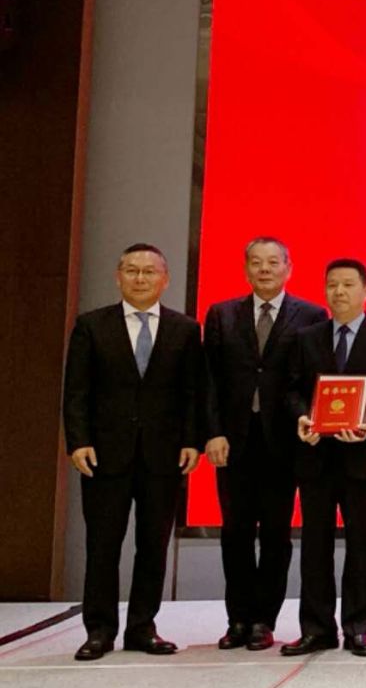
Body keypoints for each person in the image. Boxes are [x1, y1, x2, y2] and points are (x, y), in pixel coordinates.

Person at [62, 243, 205, 661]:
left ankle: (143, 627)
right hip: (104, 455)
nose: (140, 278)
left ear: (165, 279)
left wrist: (192, 440)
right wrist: (78, 440)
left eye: (149, 271)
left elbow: (193, 392)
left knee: (153, 545)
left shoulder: (184, 329)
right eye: (132, 270)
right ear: (118, 276)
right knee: (102, 545)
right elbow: (76, 391)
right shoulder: (92, 326)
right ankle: (99, 630)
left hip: (164, 456)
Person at [282, 258, 366, 657]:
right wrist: (302, 417)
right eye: (332, 285)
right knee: (314, 544)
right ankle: (316, 628)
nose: (339, 292)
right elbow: (291, 390)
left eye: (348, 284)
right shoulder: (306, 338)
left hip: (365, 456)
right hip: (316, 456)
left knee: (361, 544)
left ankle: (359, 628)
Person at [202, 236, 324, 652]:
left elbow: (312, 379)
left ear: (288, 268)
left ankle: (263, 620)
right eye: (257, 262)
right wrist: (212, 432)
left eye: (273, 262)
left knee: (276, 533)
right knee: (234, 531)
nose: (265, 269)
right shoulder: (222, 314)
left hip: (284, 441)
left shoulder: (311, 315)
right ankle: (237, 618)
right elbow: (209, 380)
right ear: (245, 269)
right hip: (232, 440)